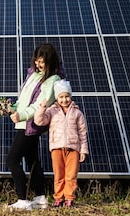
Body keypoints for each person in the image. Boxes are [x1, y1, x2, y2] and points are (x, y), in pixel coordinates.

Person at [6, 43, 63, 211]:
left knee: (12, 159)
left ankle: (22, 199)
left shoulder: (53, 80)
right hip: (23, 122)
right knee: (33, 161)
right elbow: (24, 99)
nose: (38, 64)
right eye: (36, 60)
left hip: (31, 124)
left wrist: (21, 115)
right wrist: (12, 108)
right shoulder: (34, 75)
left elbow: (40, 105)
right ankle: (40, 197)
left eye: (42, 61)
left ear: (50, 61)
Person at [34, 80, 89, 208]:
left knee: (71, 175)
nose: (64, 100)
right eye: (61, 97)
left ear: (70, 96)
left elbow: (82, 132)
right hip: (57, 148)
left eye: (67, 96)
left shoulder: (77, 113)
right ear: (57, 97)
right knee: (58, 174)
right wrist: (42, 107)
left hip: (73, 148)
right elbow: (39, 121)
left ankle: (69, 198)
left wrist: (83, 150)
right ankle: (58, 198)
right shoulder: (52, 111)